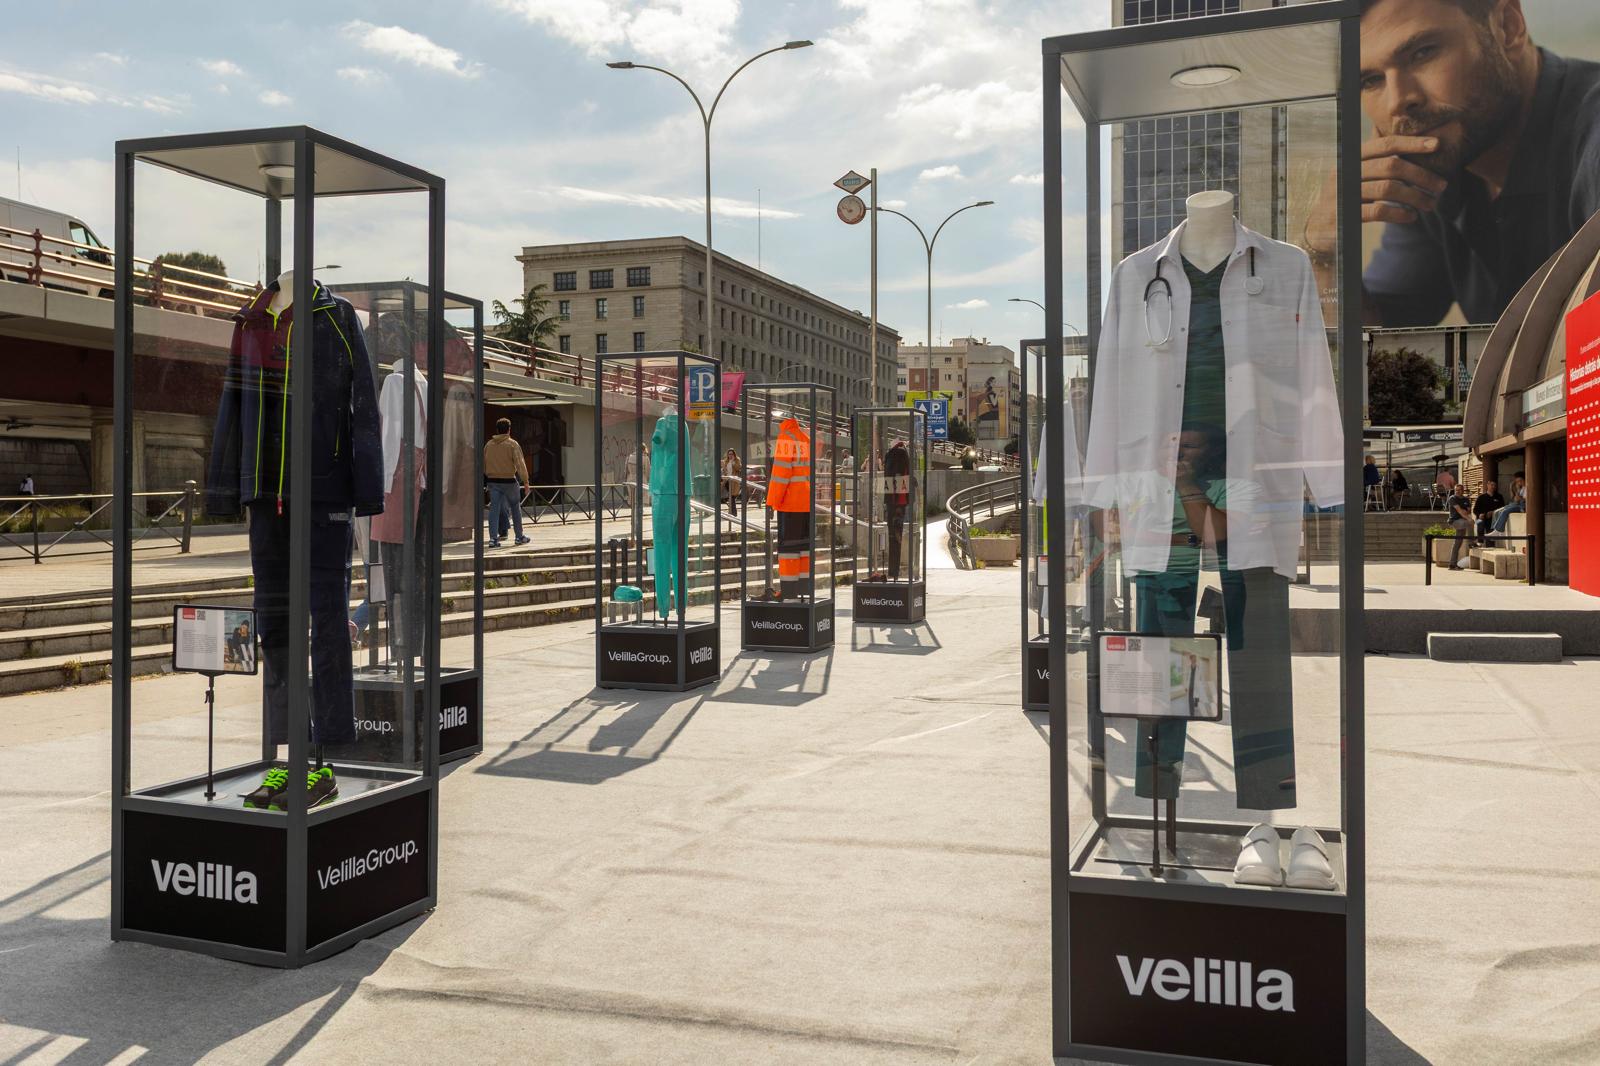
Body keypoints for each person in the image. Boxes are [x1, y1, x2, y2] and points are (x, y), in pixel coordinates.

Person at [1306, 0, 1600, 327]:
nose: (1399, 100)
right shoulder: (1435, 169)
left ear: (1508, 26)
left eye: (1423, 53)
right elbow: (1376, 349)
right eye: (1370, 81)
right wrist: (1323, 255)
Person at [483, 417, 530, 549]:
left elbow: (483, 464)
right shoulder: (512, 444)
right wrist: (525, 481)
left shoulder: (489, 445)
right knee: (515, 507)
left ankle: (493, 539)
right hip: (509, 480)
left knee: (494, 509)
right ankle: (519, 536)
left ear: (497, 430)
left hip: (493, 481)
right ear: (509, 430)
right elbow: (520, 464)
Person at [1445, 482, 1474, 569]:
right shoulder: (1452, 498)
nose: (1457, 492)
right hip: (1455, 521)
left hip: (1462, 521)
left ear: (1462, 491)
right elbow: (1459, 511)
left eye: (1459, 490)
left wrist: (1466, 513)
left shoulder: (1466, 499)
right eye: (1456, 490)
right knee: (1470, 522)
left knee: (1458, 543)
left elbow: (1468, 511)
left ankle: (1452, 564)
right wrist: (1467, 517)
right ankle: (1471, 542)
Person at [720, 448, 742, 517]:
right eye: (729, 454)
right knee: (729, 497)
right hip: (726, 480)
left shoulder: (737, 460)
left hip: (733, 481)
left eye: (732, 454)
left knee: (732, 497)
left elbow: (738, 468)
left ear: (734, 454)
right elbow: (724, 470)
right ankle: (732, 512)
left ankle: (733, 513)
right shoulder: (726, 461)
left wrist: (733, 463)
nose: (730, 455)